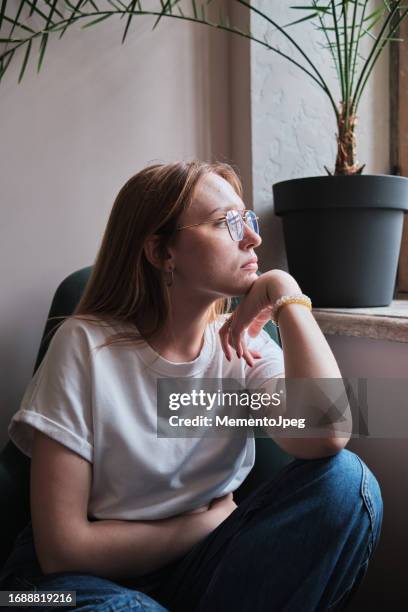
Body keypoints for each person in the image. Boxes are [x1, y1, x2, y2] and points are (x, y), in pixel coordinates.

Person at [0, 160, 383, 611]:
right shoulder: (84, 345)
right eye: (226, 223)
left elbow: (327, 434)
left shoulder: (243, 344)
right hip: (59, 587)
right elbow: (61, 551)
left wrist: (286, 294)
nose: (253, 237)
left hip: (203, 571)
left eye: (248, 219)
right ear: (162, 252)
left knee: (349, 483)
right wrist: (206, 524)